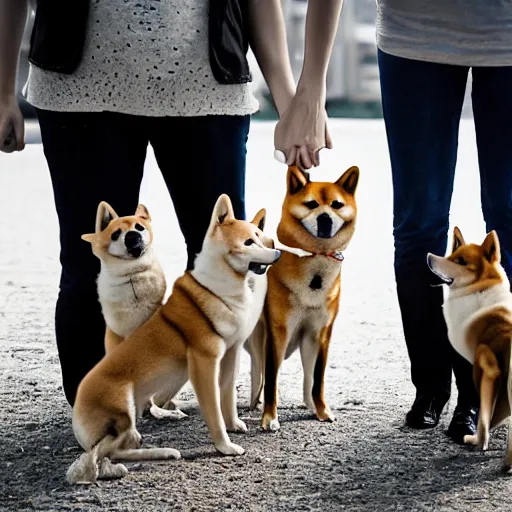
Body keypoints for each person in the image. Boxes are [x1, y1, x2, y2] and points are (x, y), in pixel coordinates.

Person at [0, 0, 340, 406]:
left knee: (227, 259)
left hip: (209, 89)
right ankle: (96, 408)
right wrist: (2, 90)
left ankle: (212, 399)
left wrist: (291, 102)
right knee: (90, 264)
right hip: (78, 92)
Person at [376, 0, 512, 443]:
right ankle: (432, 386)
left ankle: (497, 390)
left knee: (510, 215)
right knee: (419, 226)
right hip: (413, 33)